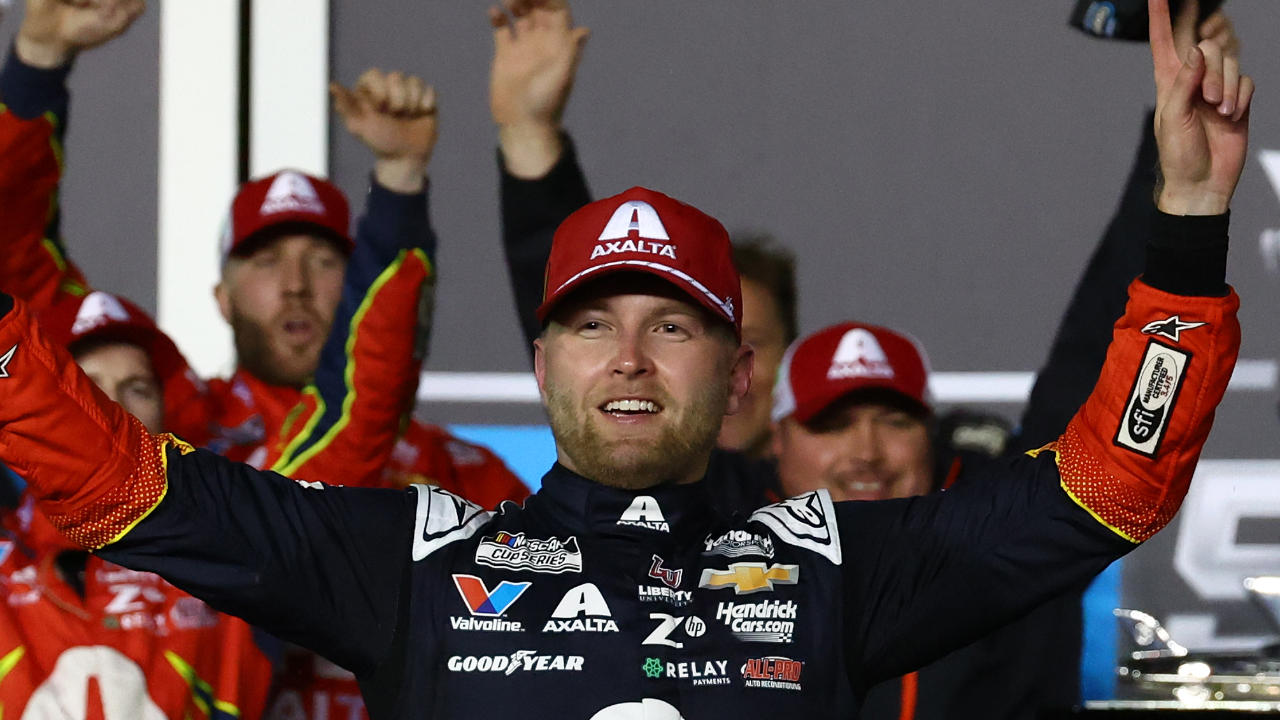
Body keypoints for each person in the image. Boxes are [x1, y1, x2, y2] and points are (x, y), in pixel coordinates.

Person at [0, 5, 1252, 715]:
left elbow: (1108, 486)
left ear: (736, 369)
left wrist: (1188, 225)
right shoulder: (418, 561)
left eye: (671, 323)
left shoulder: (833, 568)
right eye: (593, 324)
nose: (630, 356)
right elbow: (122, 485)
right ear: (543, 366)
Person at [0, 0, 530, 508]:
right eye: (265, 261)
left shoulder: (458, 474)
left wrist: (400, 181)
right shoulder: (175, 418)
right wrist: (36, 65)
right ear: (222, 299)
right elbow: (18, 266)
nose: (296, 283)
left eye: (323, 260)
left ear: (361, 291)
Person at [0, 288, 275, 718]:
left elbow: (360, 422)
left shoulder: (225, 552)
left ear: (167, 415)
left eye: (138, 389)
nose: (112, 409)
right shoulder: (7, 559)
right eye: (87, 387)